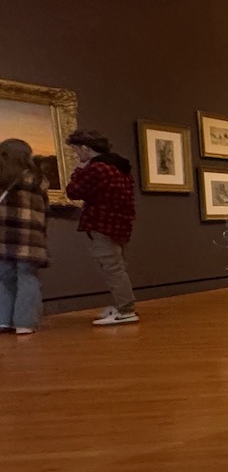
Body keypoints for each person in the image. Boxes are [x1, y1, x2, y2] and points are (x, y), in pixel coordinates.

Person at [64, 129, 139, 326]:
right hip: (121, 224)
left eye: (76, 151)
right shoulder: (119, 167)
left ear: (85, 148)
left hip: (102, 224)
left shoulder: (95, 169)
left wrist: (78, 170)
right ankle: (123, 306)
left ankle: (125, 310)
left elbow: (73, 191)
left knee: (112, 268)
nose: (77, 155)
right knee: (118, 266)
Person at [0, 138, 49, 335]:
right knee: (28, 279)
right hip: (31, 240)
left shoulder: (2, 179)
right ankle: (25, 323)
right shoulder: (38, 180)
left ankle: (3, 320)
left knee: (3, 279)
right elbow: (46, 210)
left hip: (3, 238)